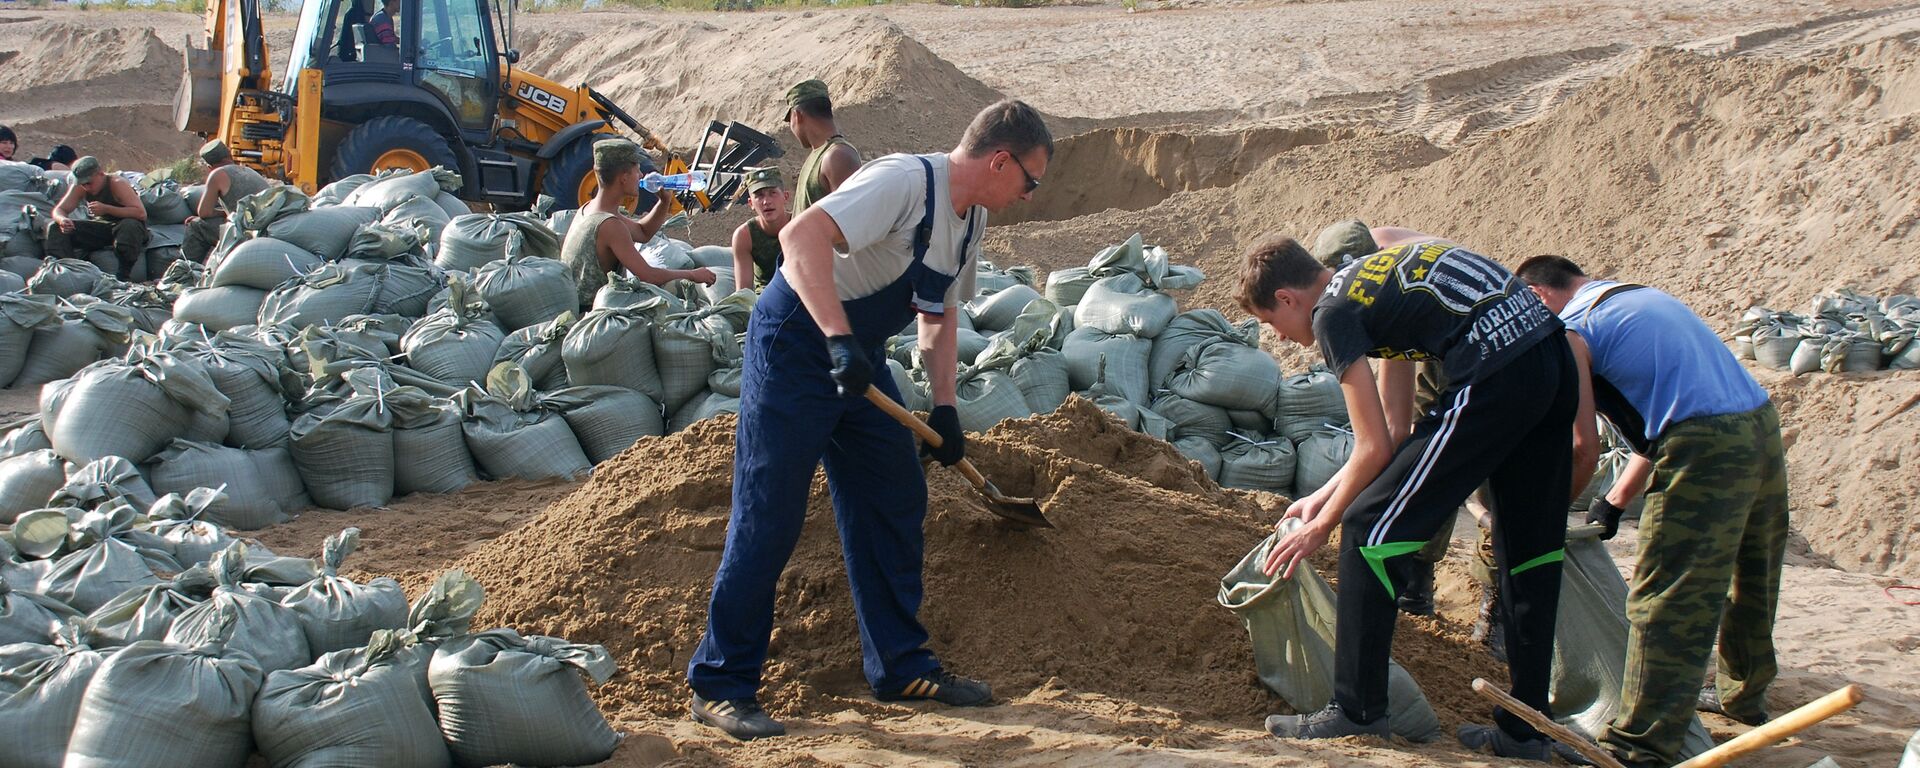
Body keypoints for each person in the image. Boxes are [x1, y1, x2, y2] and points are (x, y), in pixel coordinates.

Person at [686, 99, 1052, 741]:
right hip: (800, 345)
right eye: (1031, 180)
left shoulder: (968, 223)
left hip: (858, 360)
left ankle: (901, 668)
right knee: (769, 512)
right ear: (1001, 160)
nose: (1029, 195)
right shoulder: (904, 182)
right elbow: (799, 238)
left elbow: (936, 317)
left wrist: (945, 406)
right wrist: (835, 338)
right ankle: (720, 683)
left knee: (893, 494)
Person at [1243, 231, 1597, 763]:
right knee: (1529, 552)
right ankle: (1528, 731)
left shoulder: (1332, 313)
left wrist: (1326, 523)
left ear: (1289, 299)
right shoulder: (1374, 281)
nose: (1282, 337)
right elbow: (1395, 430)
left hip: (1494, 373)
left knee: (1367, 531)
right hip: (1548, 359)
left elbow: (1374, 446)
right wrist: (1322, 495)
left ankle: (1357, 711)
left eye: (1272, 323)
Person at [1517, 255, 1787, 768]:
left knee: (1668, 597)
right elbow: (1670, 406)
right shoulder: (1635, 298)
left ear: (1537, 294)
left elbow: (1582, 448)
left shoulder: (1573, 329)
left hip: (1703, 447)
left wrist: (1546, 516)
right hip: (1758, 425)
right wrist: (1616, 499)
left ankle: (1641, 746)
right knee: (1753, 571)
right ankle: (1744, 697)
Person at [558, 138, 713, 309]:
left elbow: (642, 232)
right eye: (637, 171)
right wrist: (692, 274)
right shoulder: (609, 225)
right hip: (594, 312)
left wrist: (663, 202)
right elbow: (648, 275)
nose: (640, 176)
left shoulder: (590, 209)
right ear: (623, 178)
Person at [45, 156, 148, 280]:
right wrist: (62, 220)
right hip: (103, 228)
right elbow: (59, 210)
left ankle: (123, 277)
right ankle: (68, 273)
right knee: (55, 228)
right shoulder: (80, 186)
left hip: (128, 228)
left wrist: (107, 209)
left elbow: (140, 213)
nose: (87, 188)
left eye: (89, 183)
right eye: (83, 184)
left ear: (100, 174)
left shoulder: (117, 184)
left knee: (129, 226)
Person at [182, 139, 272, 264]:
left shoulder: (218, 174)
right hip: (266, 229)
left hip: (245, 232)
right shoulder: (249, 171)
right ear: (230, 156)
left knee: (196, 226)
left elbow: (204, 213)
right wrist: (225, 213)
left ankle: (184, 272)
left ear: (209, 167)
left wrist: (221, 214)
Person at [784, 79, 861, 215]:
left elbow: (850, 220)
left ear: (797, 116)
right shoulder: (820, 154)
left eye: (790, 120)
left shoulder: (837, 156)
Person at [729, 167, 789, 291]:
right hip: (765, 297)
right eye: (759, 196)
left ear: (785, 197)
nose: (766, 201)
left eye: (773, 193)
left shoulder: (800, 224)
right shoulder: (744, 235)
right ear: (751, 203)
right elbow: (743, 290)